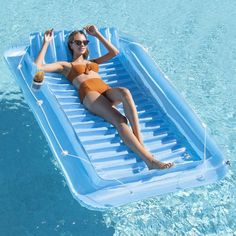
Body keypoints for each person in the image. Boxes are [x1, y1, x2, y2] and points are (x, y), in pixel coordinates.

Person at [35, 24, 174, 170]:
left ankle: (139, 141)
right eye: (78, 42)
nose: (82, 45)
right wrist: (46, 43)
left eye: (85, 42)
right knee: (120, 120)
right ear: (71, 45)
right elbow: (39, 66)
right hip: (90, 94)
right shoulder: (66, 66)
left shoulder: (93, 62)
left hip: (105, 90)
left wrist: (97, 35)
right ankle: (149, 161)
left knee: (125, 92)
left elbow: (114, 52)